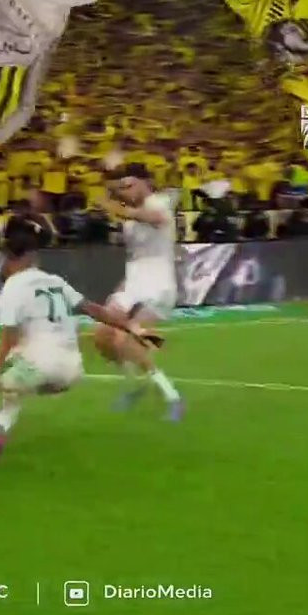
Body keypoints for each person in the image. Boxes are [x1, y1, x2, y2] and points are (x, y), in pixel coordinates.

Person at [0, 218, 163, 468]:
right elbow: (94, 310)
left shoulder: (12, 289)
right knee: (14, 377)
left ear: (10, 259)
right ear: (33, 257)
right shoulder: (55, 281)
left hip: (39, 368)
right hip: (71, 372)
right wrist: (133, 328)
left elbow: (7, 343)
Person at [93, 163, 185, 421]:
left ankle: (172, 397)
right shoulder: (129, 220)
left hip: (157, 286)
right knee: (102, 336)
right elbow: (136, 257)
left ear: (146, 183)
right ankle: (134, 382)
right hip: (134, 284)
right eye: (122, 187)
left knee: (125, 338)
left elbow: (154, 219)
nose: (126, 191)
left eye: (130, 185)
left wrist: (114, 207)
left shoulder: (158, 203)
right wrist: (123, 286)